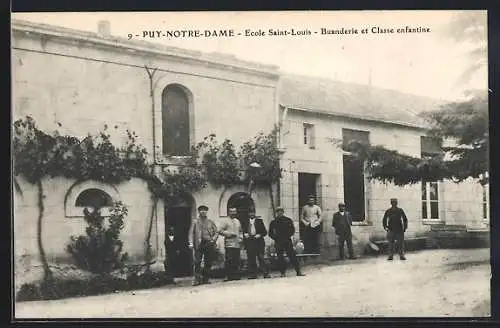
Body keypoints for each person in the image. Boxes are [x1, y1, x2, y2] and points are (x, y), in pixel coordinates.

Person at [269, 207, 305, 277]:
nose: (280, 213)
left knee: (292, 256)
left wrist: (288, 236)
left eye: (281, 211)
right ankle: (282, 273)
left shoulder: (288, 220)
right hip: (279, 241)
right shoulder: (274, 222)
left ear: (283, 212)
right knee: (280, 257)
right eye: (278, 211)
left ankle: (298, 271)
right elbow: (270, 233)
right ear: (276, 213)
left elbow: (292, 230)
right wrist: (276, 238)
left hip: (287, 240)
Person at [188, 205, 219, 286]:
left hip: (209, 243)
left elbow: (216, 232)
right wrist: (191, 243)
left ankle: (206, 279)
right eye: (201, 210)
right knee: (197, 262)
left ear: (207, 212)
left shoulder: (211, 222)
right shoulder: (195, 222)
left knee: (208, 262)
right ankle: (197, 279)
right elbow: (191, 233)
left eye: (205, 210)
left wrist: (213, 239)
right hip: (199, 244)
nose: (203, 212)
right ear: (199, 212)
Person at [242, 209, 270, 279]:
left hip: (259, 242)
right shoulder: (245, 222)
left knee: (261, 258)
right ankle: (253, 274)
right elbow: (242, 231)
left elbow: (265, 232)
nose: (252, 214)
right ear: (248, 214)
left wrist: (259, 235)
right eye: (250, 213)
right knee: (251, 259)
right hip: (250, 242)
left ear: (255, 213)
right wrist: (245, 234)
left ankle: (265, 273)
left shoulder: (259, 221)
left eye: (253, 213)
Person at [218, 207, 243, 281]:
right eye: (231, 211)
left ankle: (235, 276)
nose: (233, 213)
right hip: (229, 244)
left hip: (237, 244)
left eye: (234, 211)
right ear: (229, 212)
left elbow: (240, 231)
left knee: (236, 260)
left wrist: (241, 238)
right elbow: (220, 230)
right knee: (229, 260)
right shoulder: (225, 221)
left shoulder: (237, 221)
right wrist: (229, 234)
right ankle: (228, 276)